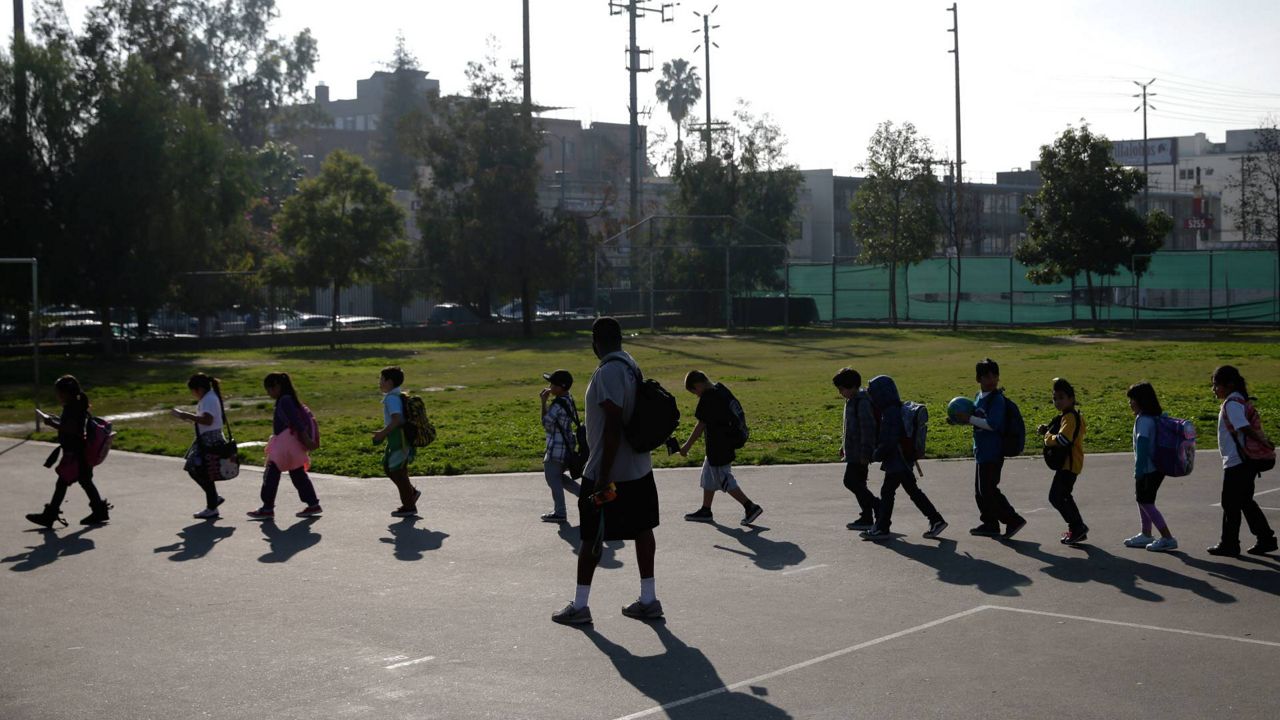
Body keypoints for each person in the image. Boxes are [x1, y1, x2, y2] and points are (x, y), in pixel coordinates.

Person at [552, 317, 662, 625]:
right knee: (642, 529)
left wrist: (603, 474)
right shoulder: (630, 364)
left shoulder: (608, 371)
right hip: (639, 468)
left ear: (594, 343)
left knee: (590, 536)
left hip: (608, 470)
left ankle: (581, 605)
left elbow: (613, 424)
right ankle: (648, 599)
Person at [860, 374, 947, 541]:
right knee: (911, 491)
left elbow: (889, 440)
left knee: (888, 492)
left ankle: (882, 527)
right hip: (902, 460)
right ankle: (936, 520)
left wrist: (876, 454)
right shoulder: (895, 409)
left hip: (896, 461)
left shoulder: (890, 413)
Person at [953, 358, 1026, 539]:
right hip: (981, 450)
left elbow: (993, 424)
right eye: (987, 376)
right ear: (978, 379)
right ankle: (989, 523)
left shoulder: (997, 400)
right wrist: (959, 419)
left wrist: (968, 419)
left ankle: (1012, 519)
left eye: (995, 375)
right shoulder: (978, 398)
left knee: (989, 489)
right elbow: (978, 420)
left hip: (994, 451)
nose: (992, 380)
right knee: (980, 491)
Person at [1207, 365, 1277, 556]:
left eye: (1216, 385)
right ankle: (1266, 539)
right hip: (1243, 461)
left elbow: (1242, 426)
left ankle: (1229, 544)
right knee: (1245, 501)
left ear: (1229, 385)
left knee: (1230, 503)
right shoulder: (1237, 401)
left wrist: (1262, 440)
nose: (1214, 389)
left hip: (1239, 461)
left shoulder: (1232, 403)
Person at [678, 370, 763, 526]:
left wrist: (686, 446)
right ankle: (706, 510)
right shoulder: (720, 388)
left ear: (697, 385)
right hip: (723, 442)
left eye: (694, 392)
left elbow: (700, 425)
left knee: (723, 478)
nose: (696, 395)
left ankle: (750, 507)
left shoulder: (708, 397)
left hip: (720, 445)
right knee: (708, 476)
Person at [26, 375, 111, 528]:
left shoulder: (72, 408)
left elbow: (74, 429)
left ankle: (50, 515)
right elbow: (72, 425)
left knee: (63, 483)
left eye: (58, 393)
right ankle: (99, 510)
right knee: (84, 481)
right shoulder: (76, 405)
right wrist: (58, 420)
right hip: (80, 452)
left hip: (76, 454)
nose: (57, 396)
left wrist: (52, 423)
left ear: (65, 393)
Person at [247, 372, 321, 520]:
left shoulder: (284, 400)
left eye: (269, 389)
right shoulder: (290, 398)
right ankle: (313, 504)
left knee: (271, 474)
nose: (269, 393)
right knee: (298, 473)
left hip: (284, 444)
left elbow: (295, 421)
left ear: (277, 386)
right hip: (292, 444)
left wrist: (305, 438)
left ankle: (267, 508)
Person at [1124, 382, 1177, 552]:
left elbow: (1142, 445)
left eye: (1133, 399)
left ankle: (1167, 537)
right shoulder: (1154, 417)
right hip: (1157, 467)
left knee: (1146, 502)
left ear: (1142, 401)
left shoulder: (1144, 420)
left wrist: (1138, 470)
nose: (1130, 403)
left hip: (1148, 469)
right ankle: (1145, 534)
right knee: (1143, 500)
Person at [171, 373, 229, 519]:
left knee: (198, 469)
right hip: (208, 437)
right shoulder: (209, 397)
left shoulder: (208, 399)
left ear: (198, 389)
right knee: (200, 470)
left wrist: (185, 415)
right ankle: (213, 502)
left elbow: (207, 420)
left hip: (209, 439)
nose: (193, 394)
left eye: (193, 391)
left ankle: (212, 504)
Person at [1039, 377, 1088, 544]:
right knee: (1062, 496)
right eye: (1055, 398)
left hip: (1069, 464)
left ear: (1071, 399)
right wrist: (1047, 430)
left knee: (1057, 496)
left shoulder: (1070, 417)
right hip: (1069, 465)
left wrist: (1047, 437)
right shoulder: (1068, 416)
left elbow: (1064, 440)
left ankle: (1077, 527)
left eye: (1061, 397)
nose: (1057, 401)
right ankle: (1077, 527)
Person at [833, 367, 880, 531]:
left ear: (852, 386)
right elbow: (850, 428)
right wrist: (843, 446)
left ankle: (877, 505)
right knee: (859, 483)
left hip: (860, 453)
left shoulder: (862, 401)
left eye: (842, 389)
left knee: (850, 481)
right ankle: (867, 516)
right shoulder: (852, 400)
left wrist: (866, 452)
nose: (840, 393)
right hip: (853, 451)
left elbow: (868, 429)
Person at [373, 366, 421, 517]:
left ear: (390, 382)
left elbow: (397, 419)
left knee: (398, 472)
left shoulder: (391, 399)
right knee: (390, 467)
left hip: (399, 441)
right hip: (397, 440)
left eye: (381, 379)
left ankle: (409, 506)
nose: (379, 382)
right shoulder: (397, 396)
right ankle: (411, 493)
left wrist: (382, 433)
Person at [539, 369, 578, 523]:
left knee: (552, 477)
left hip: (557, 447)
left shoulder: (557, 404)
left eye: (552, 384)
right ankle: (587, 497)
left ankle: (560, 512)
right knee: (559, 478)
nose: (549, 386)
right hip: (567, 445)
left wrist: (543, 402)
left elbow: (546, 423)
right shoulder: (569, 398)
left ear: (561, 387)